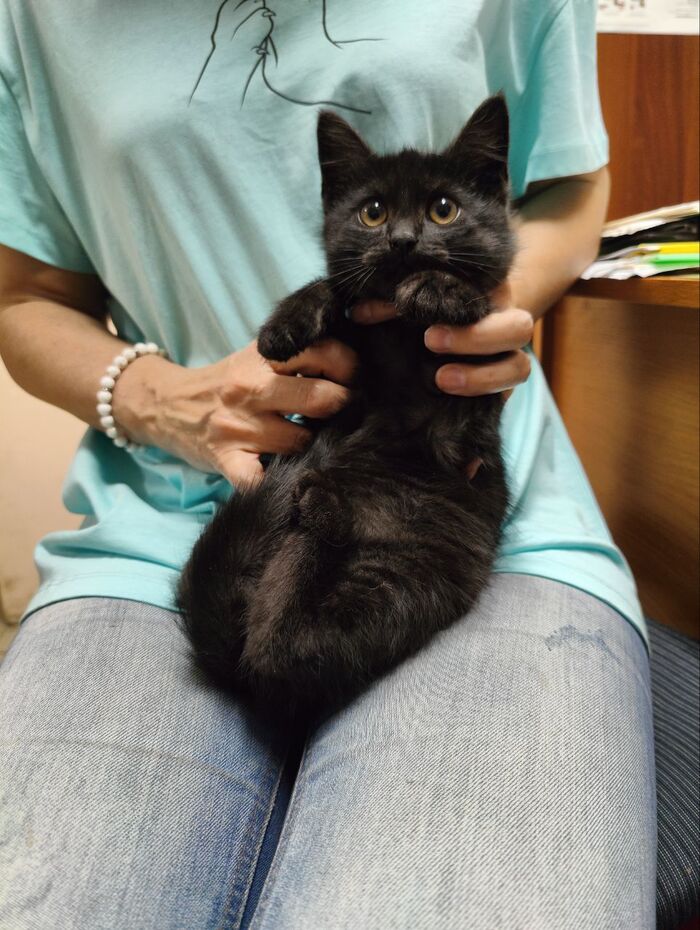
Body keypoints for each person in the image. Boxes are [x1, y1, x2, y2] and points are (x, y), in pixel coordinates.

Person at [0, 2, 655, 928]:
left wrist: (485, 302)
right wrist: (160, 398)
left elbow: (572, 191)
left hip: (463, 523)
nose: (405, 233)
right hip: (166, 527)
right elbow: (23, 296)